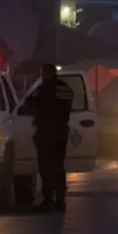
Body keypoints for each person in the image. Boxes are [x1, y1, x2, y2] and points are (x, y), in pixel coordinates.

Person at [27, 63, 74, 212]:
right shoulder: (65, 88)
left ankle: (48, 200)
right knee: (59, 165)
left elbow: (29, 103)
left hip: (46, 132)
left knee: (46, 166)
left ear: (45, 74)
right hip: (61, 131)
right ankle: (60, 200)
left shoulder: (43, 89)